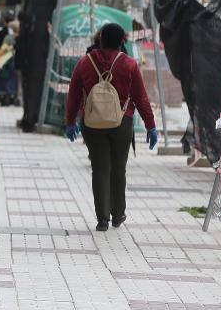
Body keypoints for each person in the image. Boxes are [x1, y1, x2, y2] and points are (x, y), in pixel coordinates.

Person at [65, 23, 158, 231]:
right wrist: (151, 126)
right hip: (122, 122)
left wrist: (70, 121)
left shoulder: (84, 63)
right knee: (118, 169)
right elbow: (141, 98)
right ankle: (118, 214)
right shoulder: (129, 64)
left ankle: (102, 219)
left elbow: (73, 95)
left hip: (92, 122)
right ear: (122, 42)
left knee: (99, 169)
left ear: (100, 40)